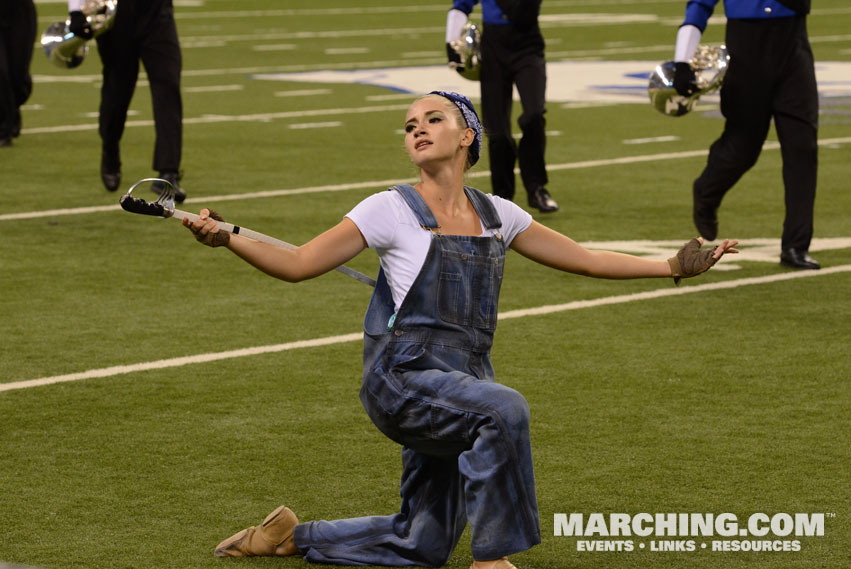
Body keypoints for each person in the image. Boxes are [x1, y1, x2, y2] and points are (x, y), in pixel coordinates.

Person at [183, 92, 737, 569]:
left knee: (422, 543)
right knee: (504, 410)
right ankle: (492, 557)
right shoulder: (386, 208)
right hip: (400, 380)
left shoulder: (499, 215)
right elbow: (300, 263)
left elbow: (586, 259)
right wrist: (227, 238)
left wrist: (672, 266)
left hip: (462, 384)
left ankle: (290, 537)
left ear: (468, 135)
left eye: (433, 119)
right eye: (409, 126)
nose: (417, 129)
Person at [673, 0, 819, 269]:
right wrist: (682, 60)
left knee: (803, 147)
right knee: (743, 146)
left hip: (794, 41)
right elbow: (700, 4)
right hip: (747, 47)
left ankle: (796, 245)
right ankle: (707, 190)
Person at [445, 0, 559, 213]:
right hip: (493, 47)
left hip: (528, 43)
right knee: (496, 131)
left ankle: (537, 188)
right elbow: (461, 5)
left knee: (534, 115)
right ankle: (502, 197)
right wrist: (451, 43)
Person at [67, 0, 186, 201]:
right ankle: (110, 149)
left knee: (168, 85)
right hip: (116, 16)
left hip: (158, 14)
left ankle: (168, 173)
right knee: (117, 93)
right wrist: (76, 10)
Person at [0, 0, 36, 147]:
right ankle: (2, 128)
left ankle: (12, 108)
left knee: (19, 74)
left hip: (20, 8)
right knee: (0, 72)